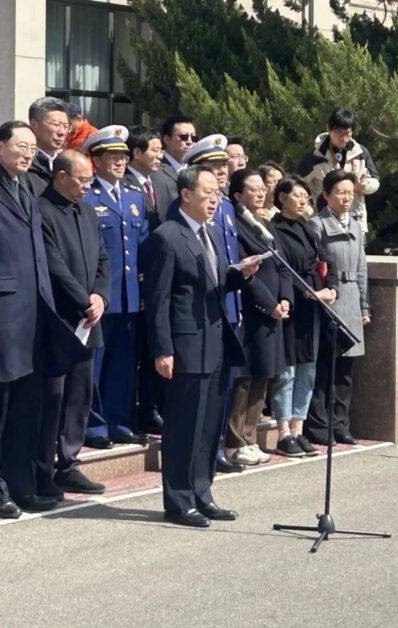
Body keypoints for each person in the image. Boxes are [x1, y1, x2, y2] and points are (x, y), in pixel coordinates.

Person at [0, 121, 87, 517]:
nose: (29, 153)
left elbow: (38, 255)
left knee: (27, 406)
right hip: (3, 314)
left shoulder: (27, 188)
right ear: (0, 148)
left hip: (34, 314)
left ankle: (21, 484)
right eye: (21, 146)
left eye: (32, 147)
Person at [143, 165, 260, 527]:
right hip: (186, 346)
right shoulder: (167, 237)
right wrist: (163, 349)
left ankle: (202, 493)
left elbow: (214, 282)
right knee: (184, 427)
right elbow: (158, 299)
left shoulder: (209, 233)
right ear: (185, 195)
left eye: (217, 193)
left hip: (216, 343)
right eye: (207, 193)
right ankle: (179, 501)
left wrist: (239, 275)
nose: (215, 200)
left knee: (209, 426)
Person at [37, 150, 111, 496]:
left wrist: (100, 296)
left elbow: (103, 259)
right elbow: (53, 265)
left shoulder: (87, 211)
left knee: (80, 394)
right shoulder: (42, 210)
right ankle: (42, 467)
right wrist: (83, 300)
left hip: (89, 318)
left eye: (90, 180)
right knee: (53, 396)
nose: (87, 186)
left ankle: (69, 462)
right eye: (82, 180)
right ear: (62, 177)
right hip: (61, 318)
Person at [179, 134, 245, 474]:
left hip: (227, 305)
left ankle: (217, 444)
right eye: (213, 166)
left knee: (223, 386)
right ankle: (206, 452)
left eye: (223, 165)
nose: (221, 171)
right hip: (202, 312)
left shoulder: (227, 207)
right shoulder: (188, 213)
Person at [82, 126, 149, 446]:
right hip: (101, 295)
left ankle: (117, 419)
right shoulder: (88, 195)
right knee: (95, 364)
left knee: (122, 364)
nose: (120, 162)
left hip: (129, 296)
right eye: (112, 157)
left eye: (123, 156)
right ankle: (93, 425)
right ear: (96, 161)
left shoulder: (134, 196)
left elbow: (142, 245)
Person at [226, 168, 293, 466]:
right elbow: (246, 274)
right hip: (252, 311)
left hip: (274, 311)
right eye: (252, 189)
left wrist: (285, 298)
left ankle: (250, 437)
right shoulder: (235, 225)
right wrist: (269, 304)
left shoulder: (266, 225)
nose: (260, 192)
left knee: (263, 375)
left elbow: (283, 266)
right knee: (244, 378)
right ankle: (234, 441)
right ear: (238, 194)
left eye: (262, 188)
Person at [271, 176, 337, 457]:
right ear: (282, 198)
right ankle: (283, 432)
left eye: (306, 196)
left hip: (314, 306)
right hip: (292, 305)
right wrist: (308, 292)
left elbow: (325, 260)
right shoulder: (273, 229)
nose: (303, 201)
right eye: (297, 195)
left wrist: (331, 288)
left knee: (308, 370)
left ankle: (298, 429)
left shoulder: (308, 228)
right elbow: (281, 270)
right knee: (287, 371)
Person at [305, 170, 371, 446]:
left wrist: (365, 306)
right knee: (325, 366)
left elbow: (362, 267)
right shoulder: (317, 224)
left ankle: (341, 424)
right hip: (330, 298)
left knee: (345, 369)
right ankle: (319, 425)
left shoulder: (355, 224)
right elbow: (314, 265)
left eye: (350, 193)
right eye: (340, 192)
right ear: (326, 195)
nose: (346, 198)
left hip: (352, 297)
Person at [125, 126, 164, 435]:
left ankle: (151, 408)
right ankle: (129, 412)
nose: (159, 155)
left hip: (155, 280)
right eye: (154, 150)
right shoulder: (124, 184)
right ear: (136, 153)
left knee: (153, 348)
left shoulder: (161, 183)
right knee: (130, 354)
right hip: (130, 282)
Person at [298, 107, 379, 234]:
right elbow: (297, 187)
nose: (343, 138)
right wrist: (311, 215)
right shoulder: (314, 156)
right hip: (324, 224)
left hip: (356, 222)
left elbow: (375, 181)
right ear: (329, 128)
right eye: (338, 132)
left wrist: (364, 185)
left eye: (347, 133)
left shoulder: (360, 152)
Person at [150, 115, 196, 223]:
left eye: (194, 138)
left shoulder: (197, 171)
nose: (190, 142)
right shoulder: (155, 171)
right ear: (167, 140)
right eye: (184, 137)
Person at [27, 96, 69, 196]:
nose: (62, 132)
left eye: (66, 126)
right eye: (56, 124)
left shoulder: (68, 164)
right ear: (34, 125)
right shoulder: (24, 164)